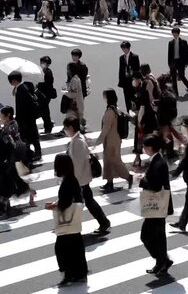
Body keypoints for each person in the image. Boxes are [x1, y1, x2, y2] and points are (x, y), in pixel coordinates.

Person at [45, 154, 88, 286]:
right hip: (73, 221)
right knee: (76, 247)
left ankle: (69, 274)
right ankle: (79, 273)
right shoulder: (71, 179)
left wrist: (53, 206)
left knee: (62, 249)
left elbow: (65, 202)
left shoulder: (67, 181)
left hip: (66, 222)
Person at [64, 116, 111, 234]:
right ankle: (103, 222)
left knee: (84, 202)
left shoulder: (78, 142)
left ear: (70, 128)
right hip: (80, 179)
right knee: (87, 202)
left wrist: (72, 180)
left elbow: (78, 164)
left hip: (80, 179)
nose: (64, 131)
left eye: (65, 128)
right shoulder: (76, 140)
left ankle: (103, 222)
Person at [139, 134, 174, 275]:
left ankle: (162, 260)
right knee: (157, 235)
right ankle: (162, 260)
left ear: (150, 148)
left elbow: (155, 186)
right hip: (157, 204)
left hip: (158, 204)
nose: (143, 149)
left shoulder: (158, 163)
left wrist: (141, 180)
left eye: (144, 146)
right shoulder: (157, 160)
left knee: (148, 235)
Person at [94, 89, 133, 193]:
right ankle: (109, 182)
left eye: (104, 95)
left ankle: (128, 177)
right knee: (108, 161)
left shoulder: (110, 112)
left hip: (112, 140)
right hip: (113, 139)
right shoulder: (115, 109)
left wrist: (97, 141)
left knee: (115, 161)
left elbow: (105, 129)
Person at [8, 70, 42, 160]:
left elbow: (22, 106)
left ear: (15, 80)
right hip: (28, 118)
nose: (11, 83)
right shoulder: (23, 87)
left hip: (26, 118)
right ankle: (32, 153)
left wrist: (19, 118)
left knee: (30, 136)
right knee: (30, 135)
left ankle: (36, 153)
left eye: (11, 81)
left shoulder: (22, 89)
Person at [167, 27, 188, 96]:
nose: (174, 35)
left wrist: (186, 62)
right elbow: (169, 54)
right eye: (173, 33)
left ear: (178, 34)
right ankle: (176, 93)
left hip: (181, 61)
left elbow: (187, 52)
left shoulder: (183, 42)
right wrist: (169, 63)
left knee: (181, 76)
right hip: (173, 61)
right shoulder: (171, 43)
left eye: (176, 33)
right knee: (173, 78)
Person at [117, 41, 140, 112]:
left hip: (132, 80)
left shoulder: (134, 57)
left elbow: (137, 68)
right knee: (126, 97)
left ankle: (135, 110)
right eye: (122, 49)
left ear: (128, 48)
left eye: (125, 48)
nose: (123, 50)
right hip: (125, 80)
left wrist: (136, 78)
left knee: (133, 96)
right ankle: (129, 110)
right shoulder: (121, 57)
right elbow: (120, 69)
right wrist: (120, 80)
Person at [37, 56, 56, 134]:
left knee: (43, 111)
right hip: (44, 94)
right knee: (45, 111)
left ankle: (48, 126)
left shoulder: (47, 72)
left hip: (45, 95)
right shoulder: (45, 71)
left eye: (43, 63)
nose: (42, 64)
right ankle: (48, 126)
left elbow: (46, 84)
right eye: (41, 62)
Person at [64, 62, 85, 128]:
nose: (67, 71)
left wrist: (65, 92)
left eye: (68, 69)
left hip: (75, 104)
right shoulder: (75, 79)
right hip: (76, 104)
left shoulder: (74, 80)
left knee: (73, 120)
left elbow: (73, 94)